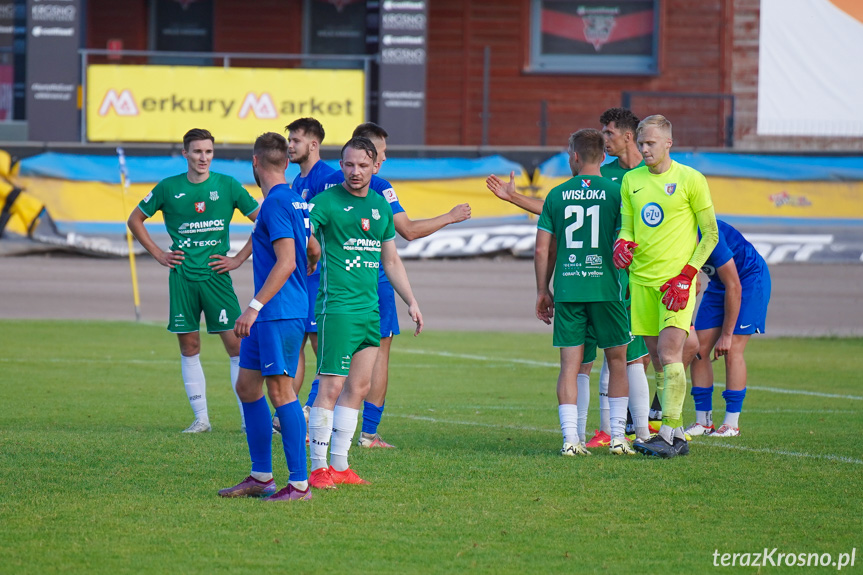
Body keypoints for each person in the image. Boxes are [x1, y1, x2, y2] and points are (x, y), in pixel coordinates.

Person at [322, 122, 470, 449]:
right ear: (369, 153)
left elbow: (390, 254)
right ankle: (367, 434)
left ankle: (318, 429)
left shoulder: (326, 182)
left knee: (329, 362)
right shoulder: (378, 187)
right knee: (374, 360)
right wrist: (450, 216)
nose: (383, 160)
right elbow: (409, 232)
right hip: (369, 288)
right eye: (382, 153)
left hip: (329, 287)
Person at [307, 136, 423, 489]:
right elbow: (302, 237)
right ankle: (317, 467)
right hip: (337, 309)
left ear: (376, 166)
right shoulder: (324, 202)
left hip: (369, 311)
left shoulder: (379, 205)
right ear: (341, 165)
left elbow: (391, 259)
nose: (355, 171)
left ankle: (341, 465)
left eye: (362, 165)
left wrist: (411, 300)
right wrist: (311, 254)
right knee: (331, 386)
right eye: (348, 164)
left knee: (358, 386)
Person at [128, 128, 259, 433]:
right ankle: (201, 419)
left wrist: (239, 258)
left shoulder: (227, 185)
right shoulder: (168, 187)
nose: (203, 158)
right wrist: (160, 254)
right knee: (189, 346)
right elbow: (134, 219)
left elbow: (264, 220)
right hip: (183, 278)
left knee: (237, 348)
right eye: (197, 151)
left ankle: (247, 420)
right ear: (185, 153)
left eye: (209, 152)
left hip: (216, 278)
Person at [218, 132, 320, 501]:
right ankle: (261, 477)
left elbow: (287, 259)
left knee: (280, 392)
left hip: (276, 313)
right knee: (247, 387)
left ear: (255, 163)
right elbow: (311, 248)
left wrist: (253, 307)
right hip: (276, 312)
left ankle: (299, 485)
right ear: (285, 162)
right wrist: (308, 267)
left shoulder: (276, 203)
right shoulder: (293, 200)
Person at [614, 114, 719, 459]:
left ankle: (671, 435)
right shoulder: (631, 180)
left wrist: (686, 276)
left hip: (676, 284)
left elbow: (711, 235)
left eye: (651, 144)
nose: (644, 149)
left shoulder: (691, 179)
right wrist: (622, 243)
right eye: (641, 143)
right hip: (640, 282)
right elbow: (628, 228)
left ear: (668, 143)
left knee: (671, 354)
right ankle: (672, 435)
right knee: (660, 361)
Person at [534, 128, 633, 456]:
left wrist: (541, 290)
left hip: (569, 289)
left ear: (574, 156)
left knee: (570, 366)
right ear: (603, 157)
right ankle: (618, 436)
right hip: (608, 288)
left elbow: (543, 250)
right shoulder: (618, 193)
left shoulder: (556, 195)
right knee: (617, 361)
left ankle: (570, 440)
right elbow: (628, 243)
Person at [685, 219, 771, 437]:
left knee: (732, 349)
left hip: (748, 279)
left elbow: (734, 285)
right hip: (719, 283)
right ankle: (703, 422)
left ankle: (731, 424)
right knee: (698, 350)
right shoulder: (674, 233)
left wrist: (726, 334)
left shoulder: (708, 234)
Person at [283, 118, 337, 430]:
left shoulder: (327, 179)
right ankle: (288, 413)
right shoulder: (296, 183)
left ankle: (310, 410)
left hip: (321, 278)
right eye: (289, 140)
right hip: (301, 278)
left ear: (313, 144)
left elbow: (325, 227)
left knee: (321, 349)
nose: (290, 145)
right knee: (296, 345)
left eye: (296, 140)